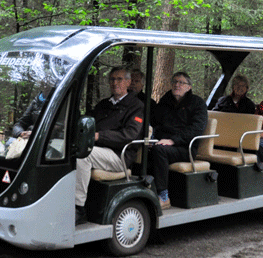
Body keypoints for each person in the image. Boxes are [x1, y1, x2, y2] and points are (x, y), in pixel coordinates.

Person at [75, 67, 144, 224]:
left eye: (119, 79)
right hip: (100, 150)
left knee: (83, 155)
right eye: (112, 79)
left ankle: (78, 209)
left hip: (119, 155)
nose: (115, 83)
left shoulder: (136, 106)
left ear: (128, 82)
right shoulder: (104, 104)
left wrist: (100, 136)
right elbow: (86, 122)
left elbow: (130, 135)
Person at [149, 72, 208, 209]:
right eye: (175, 81)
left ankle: (163, 195)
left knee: (160, 150)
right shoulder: (166, 100)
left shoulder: (197, 103)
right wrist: (152, 137)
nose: (177, 85)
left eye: (181, 83)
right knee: (144, 148)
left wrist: (173, 140)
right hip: (163, 142)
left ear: (189, 87)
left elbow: (196, 129)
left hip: (186, 147)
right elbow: (155, 121)